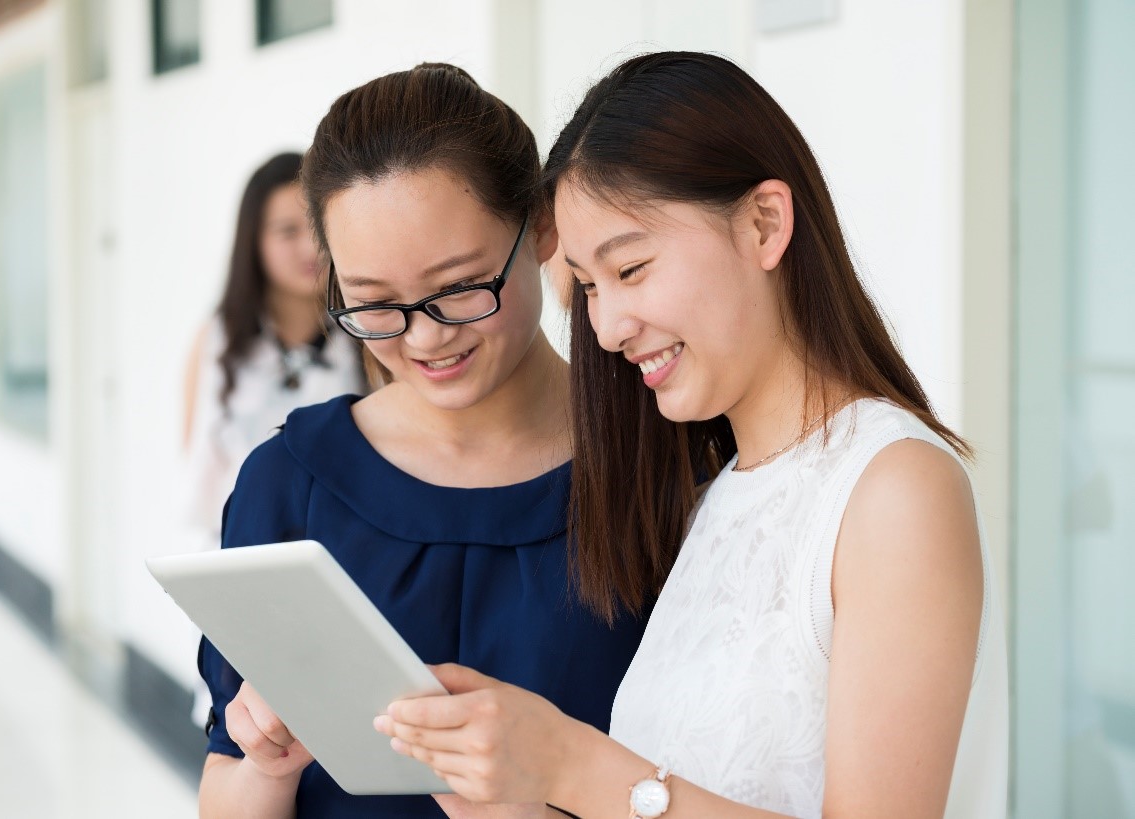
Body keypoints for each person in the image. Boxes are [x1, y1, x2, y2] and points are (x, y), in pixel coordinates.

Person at [377, 52, 1009, 819]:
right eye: (586, 286)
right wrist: (516, 791)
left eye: (632, 268)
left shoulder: (893, 491)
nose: (605, 327)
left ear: (764, 223)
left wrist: (572, 763)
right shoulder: (712, 497)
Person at [195, 63, 647, 819]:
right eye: (373, 303)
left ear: (541, 227)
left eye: (460, 286)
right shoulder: (288, 482)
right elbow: (225, 785)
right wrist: (266, 766)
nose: (426, 337)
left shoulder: (661, 462)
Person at [182, 152, 365, 547]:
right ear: (254, 241)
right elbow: (196, 454)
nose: (311, 248)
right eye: (288, 231)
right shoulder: (217, 338)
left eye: (319, 227)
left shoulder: (366, 332)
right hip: (236, 547)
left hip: (343, 549)